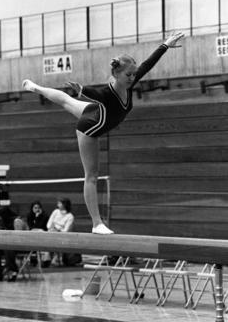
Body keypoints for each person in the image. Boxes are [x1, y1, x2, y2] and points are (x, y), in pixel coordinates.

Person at [23, 32, 184, 234]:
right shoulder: (109, 92)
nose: (132, 78)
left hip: (93, 113)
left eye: (133, 74)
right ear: (116, 75)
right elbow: (96, 93)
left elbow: (147, 65)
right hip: (89, 129)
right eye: (128, 75)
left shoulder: (130, 81)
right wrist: (81, 89)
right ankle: (96, 223)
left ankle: (35, 87)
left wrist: (165, 45)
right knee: (91, 175)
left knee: (66, 101)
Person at [47, 198, 75, 266]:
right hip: (51, 232)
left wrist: (58, 230)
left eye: (60, 203)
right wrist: (52, 228)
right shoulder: (55, 212)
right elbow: (48, 224)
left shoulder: (70, 216)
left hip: (62, 235)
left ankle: (57, 258)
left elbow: (66, 230)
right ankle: (48, 258)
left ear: (64, 205)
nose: (58, 204)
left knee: (57, 238)